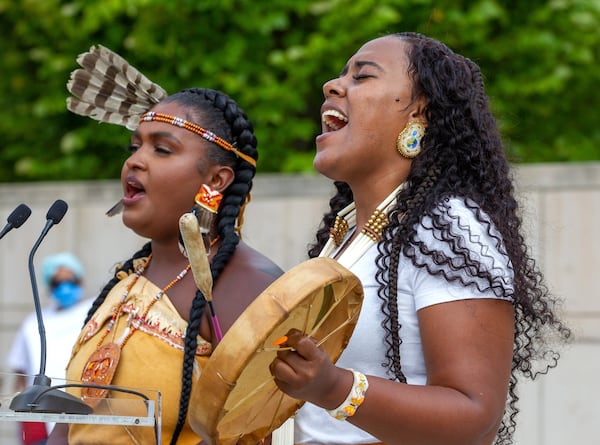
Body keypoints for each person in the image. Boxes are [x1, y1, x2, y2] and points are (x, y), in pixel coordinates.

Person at [269, 32, 571, 445]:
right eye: (341, 76)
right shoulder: (343, 234)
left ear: (419, 112)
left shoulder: (447, 226)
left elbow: (474, 414)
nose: (332, 86)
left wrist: (334, 388)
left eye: (363, 77)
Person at [47, 47, 284, 445]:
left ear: (217, 180)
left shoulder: (247, 285)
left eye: (161, 149)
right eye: (134, 147)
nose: (135, 162)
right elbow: (71, 427)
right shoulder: (123, 283)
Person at [7, 252, 92, 445]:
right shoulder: (33, 322)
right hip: (38, 413)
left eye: (70, 280)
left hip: (79, 409)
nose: (65, 287)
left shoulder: (93, 313)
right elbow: (19, 372)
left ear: (81, 281)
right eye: (57, 282)